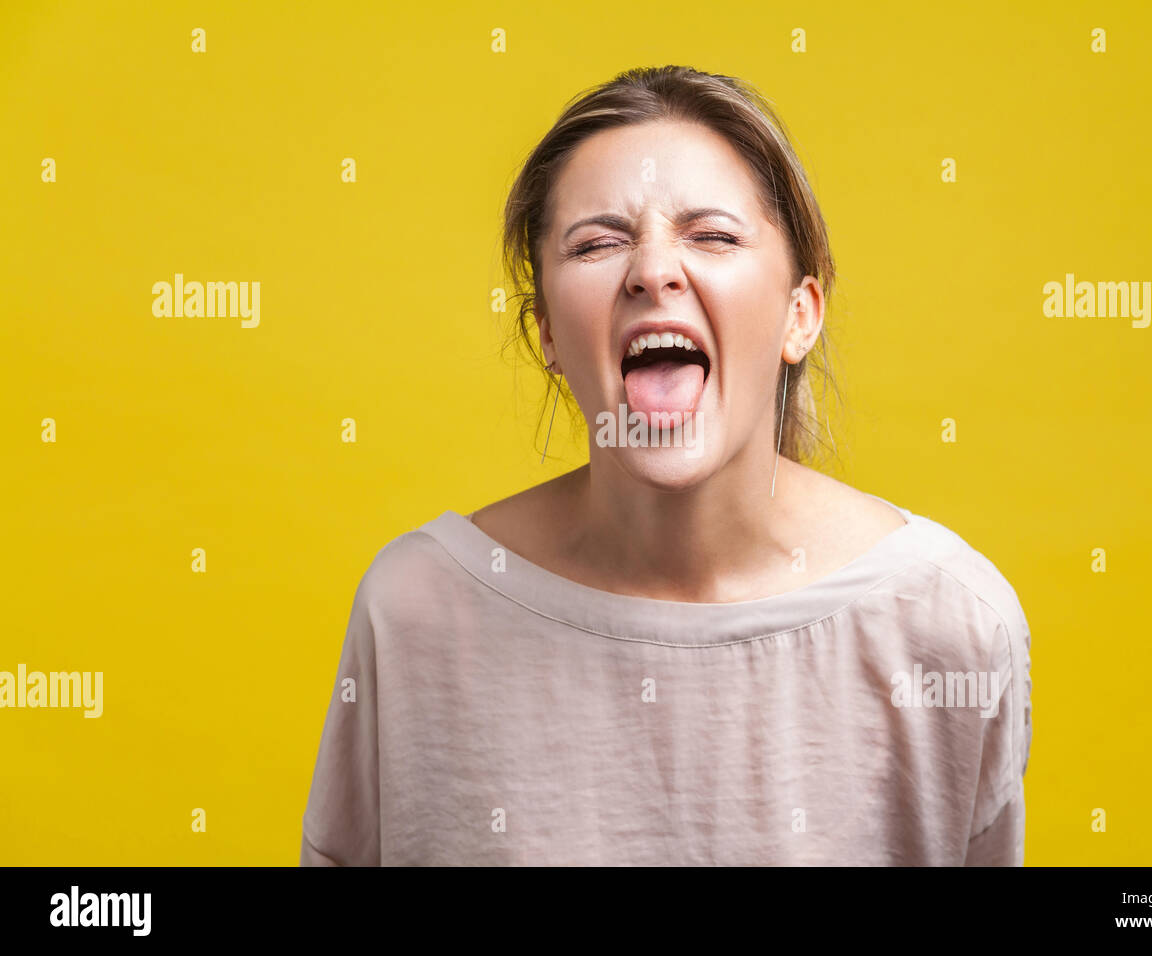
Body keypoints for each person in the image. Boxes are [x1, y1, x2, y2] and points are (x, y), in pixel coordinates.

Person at [299, 65, 1032, 866]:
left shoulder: (949, 626)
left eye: (713, 236)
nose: (653, 270)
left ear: (800, 315)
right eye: (599, 242)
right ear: (545, 330)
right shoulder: (414, 614)